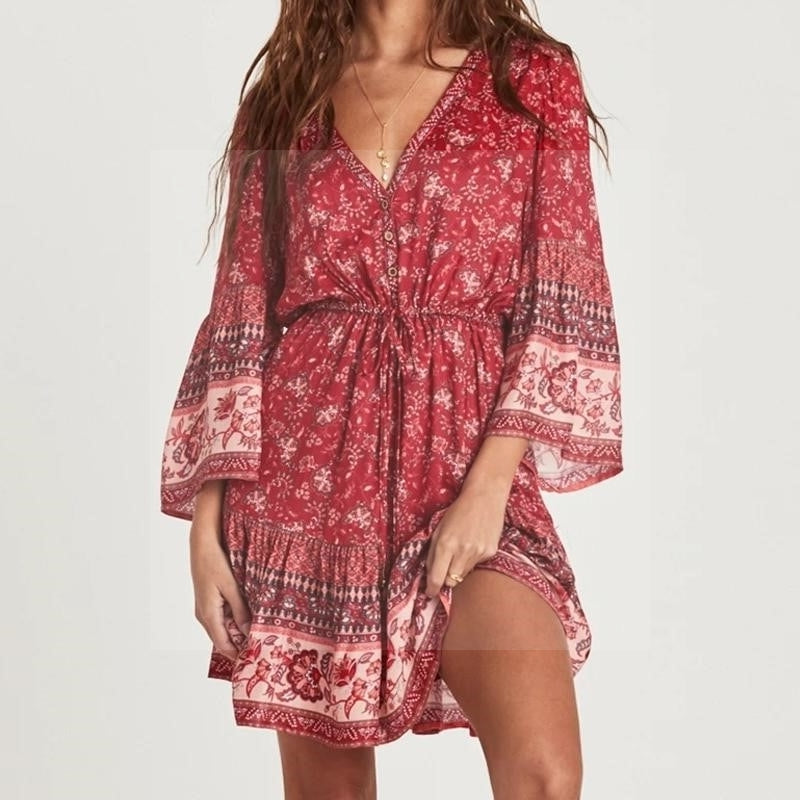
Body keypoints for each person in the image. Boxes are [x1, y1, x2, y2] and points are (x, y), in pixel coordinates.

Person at [159, 1, 623, 797]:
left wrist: (488, 489)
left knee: (543, 774)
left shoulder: (527, 80)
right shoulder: (286, 100)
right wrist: (207, 528)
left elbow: (558, 292)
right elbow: (239, 312)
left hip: (468, 471)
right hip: (306, 492)